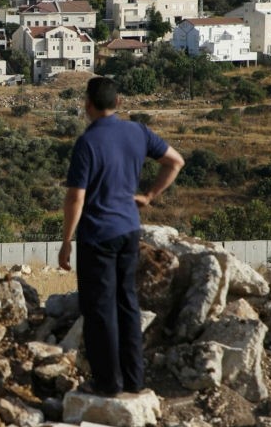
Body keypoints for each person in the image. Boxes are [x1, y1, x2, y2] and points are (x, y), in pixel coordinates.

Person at [57, 76, 184, 396]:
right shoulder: (137, 131)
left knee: (100, 310)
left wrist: (66, 241)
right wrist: (150, 195)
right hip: (129, 230)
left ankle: (107, 384)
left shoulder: (87, 143)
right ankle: (134, 379)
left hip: (97, 236)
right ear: (119, 103)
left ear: (87, 103)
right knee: (127, 304)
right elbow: (175, 162)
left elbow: (76, 197)